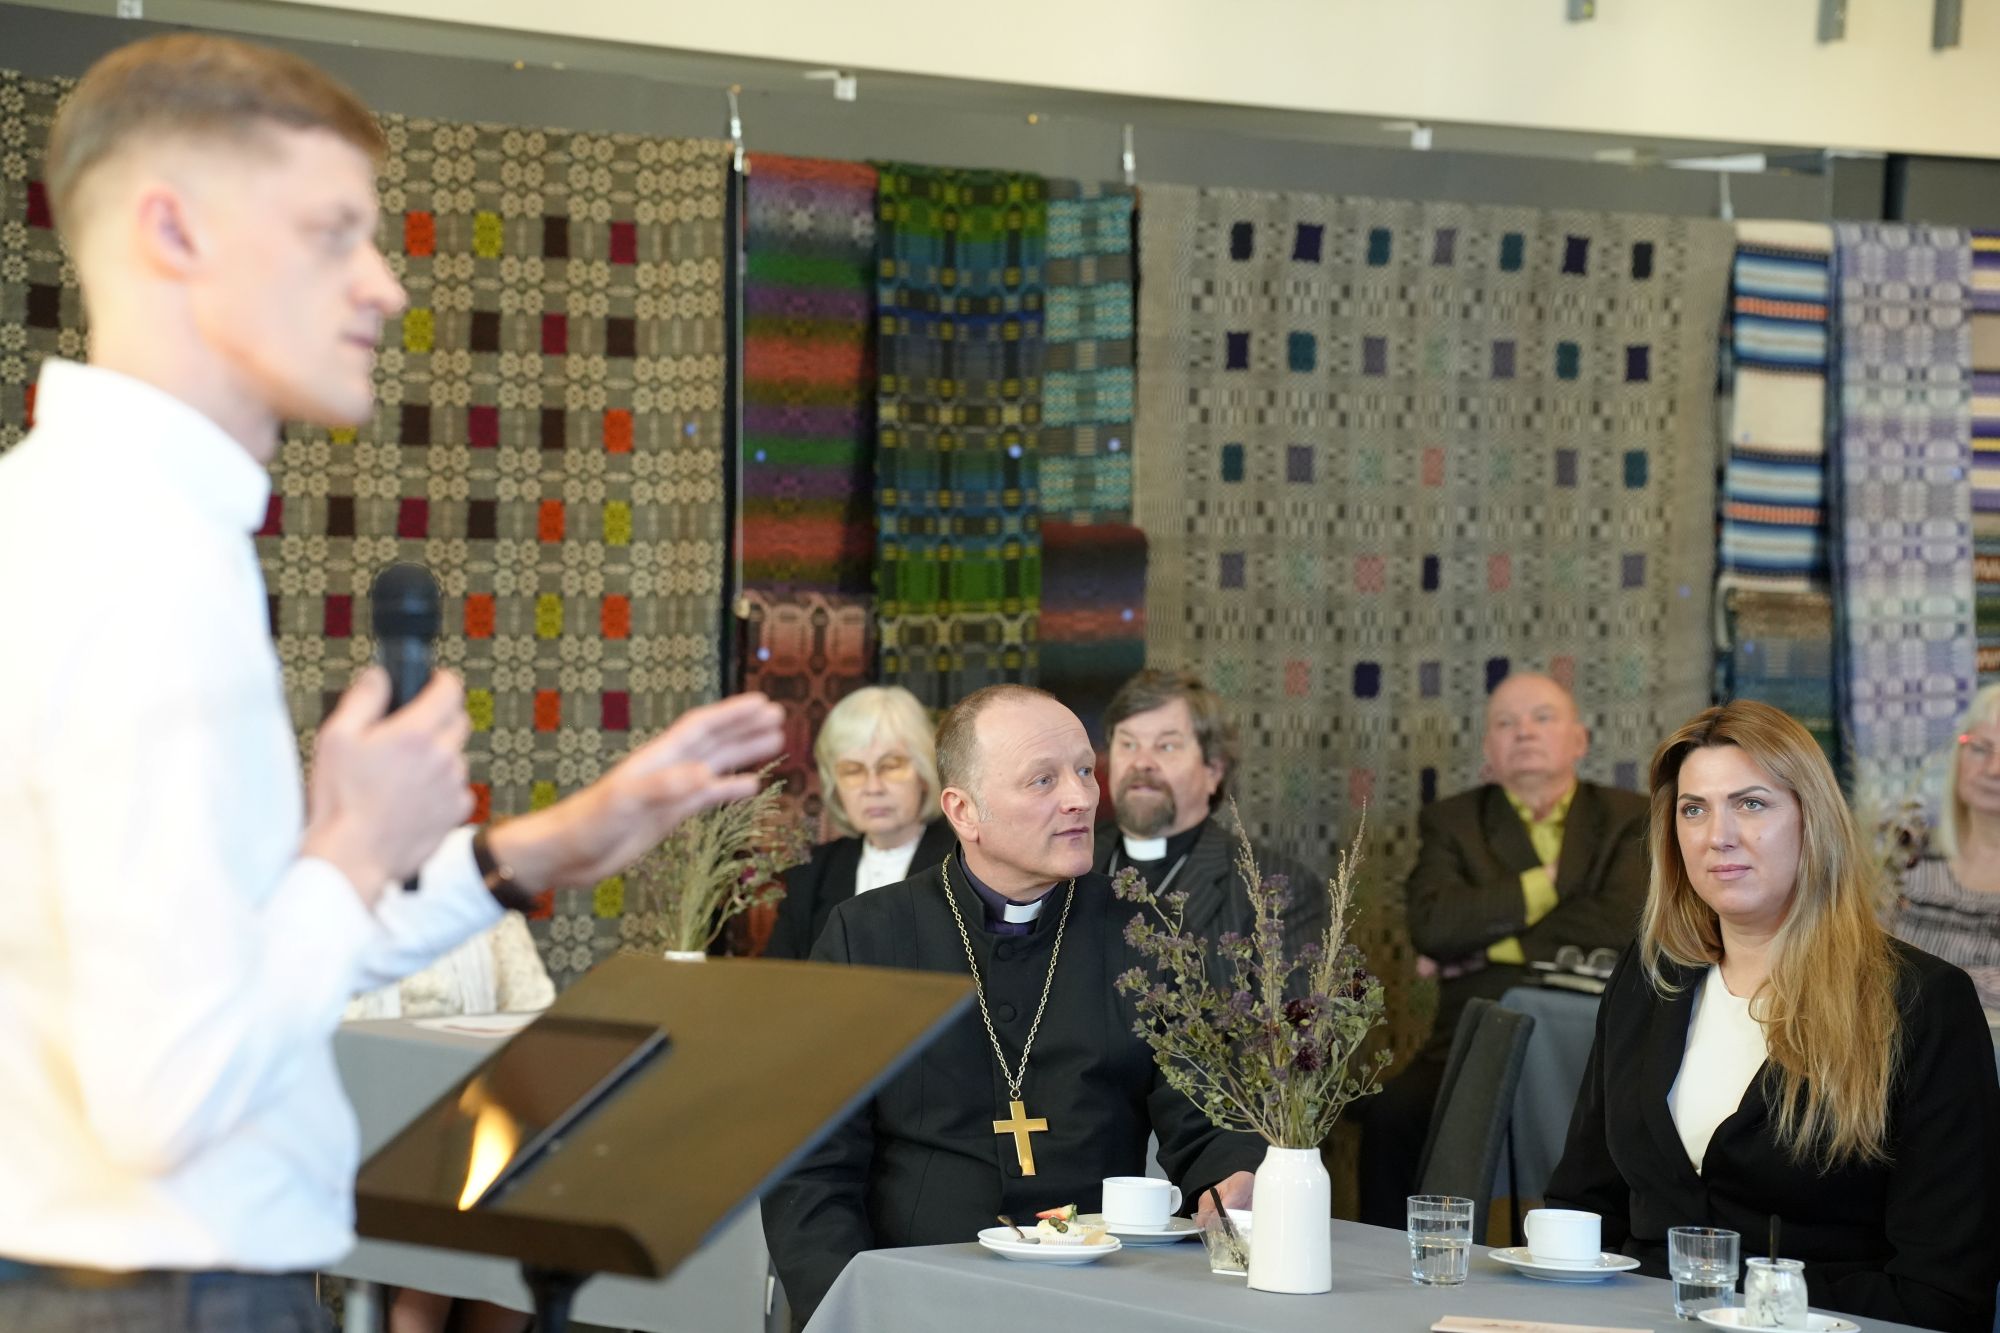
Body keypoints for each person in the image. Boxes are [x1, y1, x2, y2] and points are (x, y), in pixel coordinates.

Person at [0, 34, 782, 1332]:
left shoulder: (78, 520)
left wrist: (529, 852)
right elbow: (167, 1090)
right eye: (331, 234)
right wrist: (355, 847)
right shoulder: (136, 564)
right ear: (170, 230)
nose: (384, 284)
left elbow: (239, 961)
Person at [760, 685, 1263, 1326]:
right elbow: (809, 1165)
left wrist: (1236, 1180)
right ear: (964, 811)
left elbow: (1210, 1121)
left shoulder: (1145, 933)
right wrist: (851, 1309)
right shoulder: (868, 937)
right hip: (915, 1298)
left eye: (1085, 770)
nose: (1081, 797)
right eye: (1042, 780)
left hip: (1099, 1298)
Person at [1546, 700, 2000, 1333]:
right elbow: (1583, 1206)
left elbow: (1944, 1292)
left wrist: (1744, 1307)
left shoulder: (1922, 1001)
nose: (1718, 835)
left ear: (1812, 822)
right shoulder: (1650, 977)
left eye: (1752, 804)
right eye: (1694, 809)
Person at [1355, 671, 1648, 1227]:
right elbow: (1434, 928)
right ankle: (1389, 1264)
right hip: (1472, 1037)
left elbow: (1622, 924)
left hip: (1594, 1040)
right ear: (1489, 748)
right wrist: (1549, 883)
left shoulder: (1630, 815)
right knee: (1394, 1115)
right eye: (1506, 723)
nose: (1525, 732)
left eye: (1543, 717)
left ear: (1579, 740)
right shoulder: (1453, 821)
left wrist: (1492, 945)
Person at [1092, 669, 1326, 969]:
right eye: (1128, 744)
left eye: (1166, 746)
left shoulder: (1274, 891)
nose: (1141, 762)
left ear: (1213, 770)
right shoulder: (1066, 863)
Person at [763, 685, 953, 960]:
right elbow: (780, 978)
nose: (873, 787)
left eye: (890, 766)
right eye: (853, 771)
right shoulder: (811, 875)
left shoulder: (967, 865)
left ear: (923, 772)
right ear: (834, 784)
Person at [1886, 683, 2000, 1011]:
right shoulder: (1909, 854)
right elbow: (1863, 961)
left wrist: (1927, 980)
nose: (1994, 769)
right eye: (1980, 748)